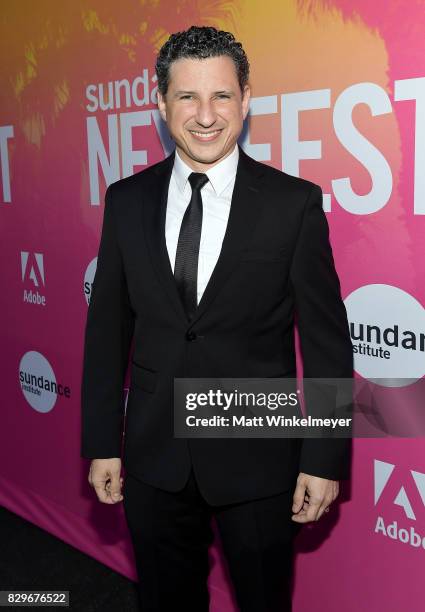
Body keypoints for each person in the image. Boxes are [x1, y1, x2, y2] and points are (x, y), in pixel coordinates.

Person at [81, 25, 353, 612]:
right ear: (160, 103)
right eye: (187, 96)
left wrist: (325, 459)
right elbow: (106, 333)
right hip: (154, 459)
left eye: (222, 96)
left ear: (246, 98)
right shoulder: (125, 201)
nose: (206, 115)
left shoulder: (293, 204)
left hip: (259, 459)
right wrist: (104, 442)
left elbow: (329, 342)